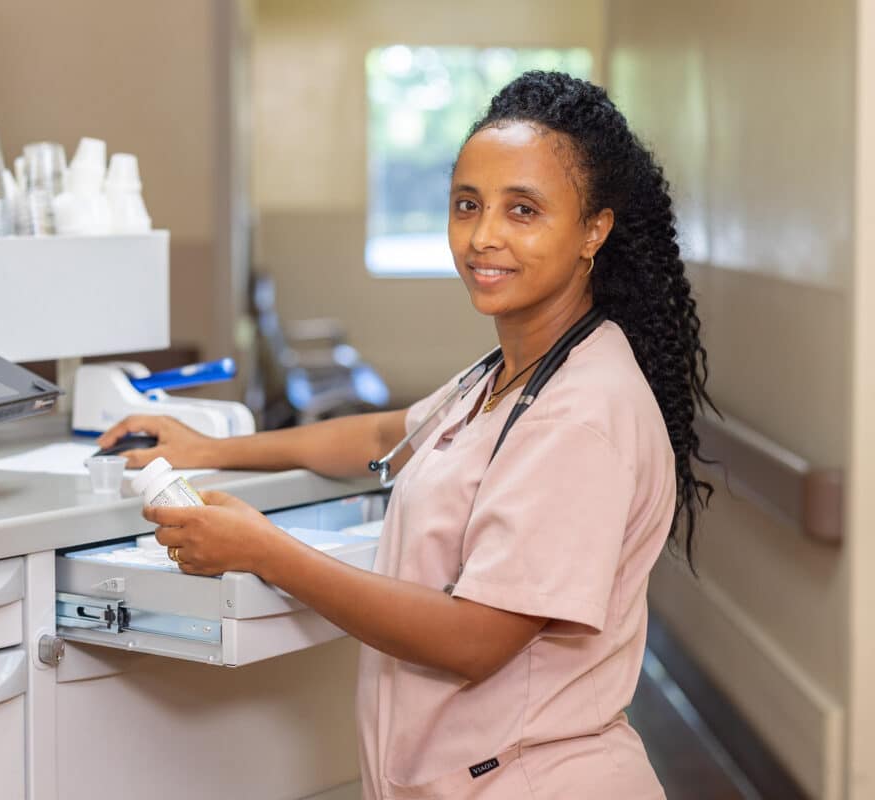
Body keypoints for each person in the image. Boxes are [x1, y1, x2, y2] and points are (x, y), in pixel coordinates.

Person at [97, 71, 714, 799]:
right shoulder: (514, 369)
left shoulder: (582, 413)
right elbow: (393, 430)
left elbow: (476, 638)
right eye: (467, 205)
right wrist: (206, 449)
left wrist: (263, 549)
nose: (484, 236)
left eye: (523, 210)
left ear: (593, 231)